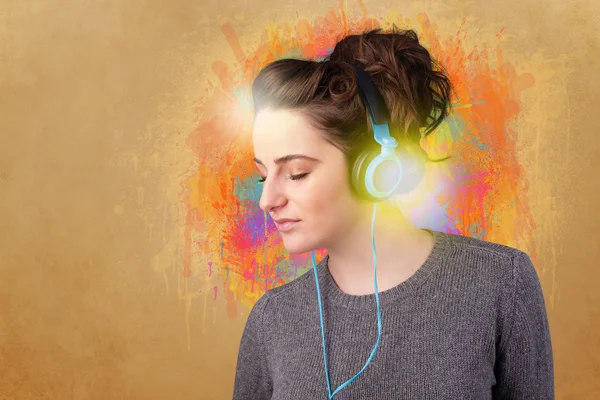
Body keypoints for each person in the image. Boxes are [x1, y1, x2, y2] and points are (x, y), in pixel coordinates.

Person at [232, 27, 554, 399]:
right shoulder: (273, 319)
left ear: (375, 168)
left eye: (297, 173)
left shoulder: (502, 283)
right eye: (262, 177)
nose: (267, 200)